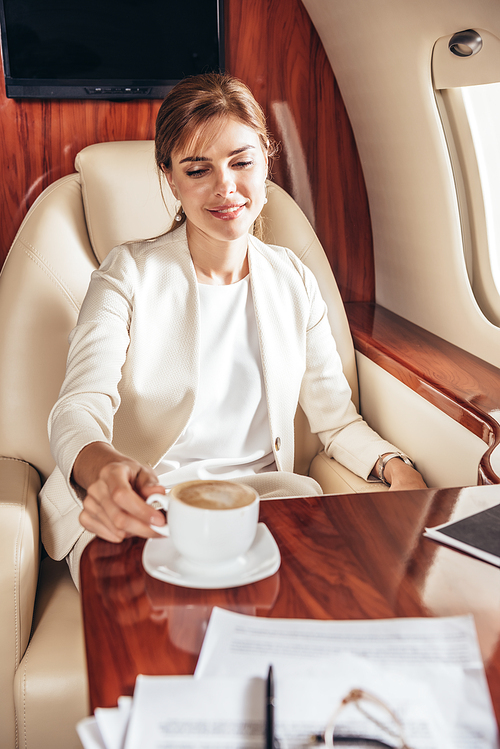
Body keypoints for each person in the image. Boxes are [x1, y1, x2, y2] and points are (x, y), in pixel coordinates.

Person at [40, 73, 426, 587]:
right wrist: (102, 470)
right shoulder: (125, 274)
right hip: (146, 510)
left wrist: (396, 467)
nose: (225, 187)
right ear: (170, 178)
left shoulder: (294, 279)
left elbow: (335, 420)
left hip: (265, 506)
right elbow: (77, 408)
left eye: (241, 162)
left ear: (267, 158)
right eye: (198, 169)